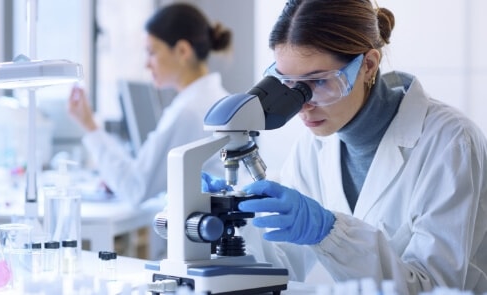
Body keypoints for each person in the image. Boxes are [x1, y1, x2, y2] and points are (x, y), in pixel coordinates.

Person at [202, 0, 487, 293]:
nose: (302, 105)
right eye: (288, 84)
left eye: (319, 81)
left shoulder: (450, 142)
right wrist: (232, 223)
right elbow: (281, 266)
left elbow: (437, 288)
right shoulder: (313, 148)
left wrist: (330, 233)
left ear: (368, 65)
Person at [68, 3, 232, 208]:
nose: (147, 64)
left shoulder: (190, 111)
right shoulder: (214, 99)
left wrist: (89, 126)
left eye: (152, 52)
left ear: (182, 51)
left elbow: (135, 187)